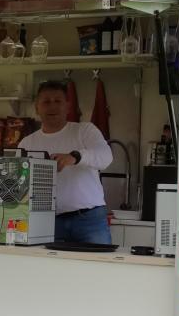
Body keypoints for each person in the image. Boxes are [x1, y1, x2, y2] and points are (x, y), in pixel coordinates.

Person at [19, 80, 114, 244]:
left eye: (58, 101)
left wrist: (75, 157)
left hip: (89, 219)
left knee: (98, 261)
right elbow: (20, 185)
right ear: (37, 108)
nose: (52, 106)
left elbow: (106, 157)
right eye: (46, 102)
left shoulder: (85, 130)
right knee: (46, 262)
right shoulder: (26, 143)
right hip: (46, 220)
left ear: (68, 106)